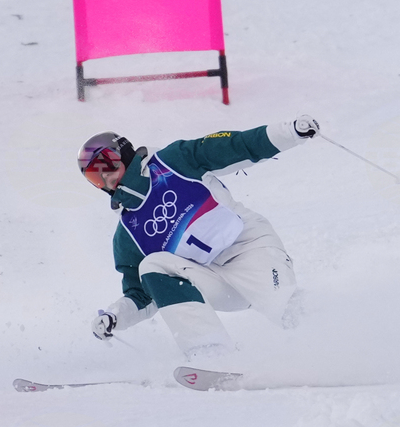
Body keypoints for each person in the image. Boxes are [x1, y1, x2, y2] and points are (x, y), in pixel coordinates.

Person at [77, 116, 319, 363]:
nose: (106, 179)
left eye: (106, 166)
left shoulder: (174, 161)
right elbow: (142, 295)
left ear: (125, 153)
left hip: (251, 249)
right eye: (95, 177)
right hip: (216, 280)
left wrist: (289, 132)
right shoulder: (128, 234)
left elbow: (237, 145)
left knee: (288, 312)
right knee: (152, 266)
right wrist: (115, 315)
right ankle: (211, 354)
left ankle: (335, 346)